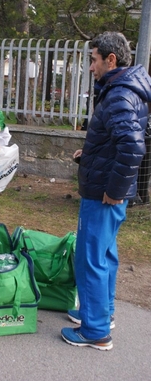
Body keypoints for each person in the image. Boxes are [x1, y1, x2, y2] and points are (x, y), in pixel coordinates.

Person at [61, 32, 151, 350]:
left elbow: (131, 145)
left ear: (111, 60)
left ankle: (95, 331)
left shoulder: (118, 95)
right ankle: (100, 313)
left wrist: (113, 189)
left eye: (93, 59)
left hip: (104, 194)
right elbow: (119, 140)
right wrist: (90, 155)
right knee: (106, 255)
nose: (90, 67)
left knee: (90, 259)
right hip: (110, 191)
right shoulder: (124, 90)